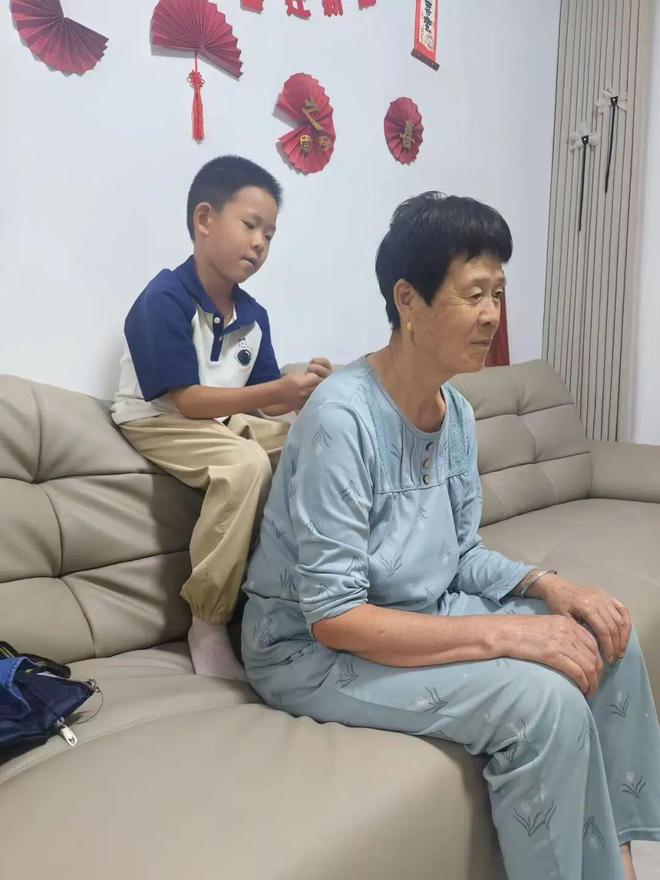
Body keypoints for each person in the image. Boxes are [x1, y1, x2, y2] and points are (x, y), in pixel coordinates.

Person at [241, 192, 660, 880]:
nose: (492, 314)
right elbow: (335, 617)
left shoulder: (456, 413)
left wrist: (549, 587)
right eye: (474, 294)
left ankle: (617, 863)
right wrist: (509, 635)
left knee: (607, 633)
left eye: (498, 293)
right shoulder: (341, 419)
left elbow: (461, 554)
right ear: (408, 300)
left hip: (421, 610)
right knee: (545, 703)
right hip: (309, 652)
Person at [112, 155, 331, 679]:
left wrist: (304, 392)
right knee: (245, 466)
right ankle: (207, 623)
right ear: (204, 219)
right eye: (250, 225)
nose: (260, 244)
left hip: (216, 421)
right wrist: (277, 390)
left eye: (269, 234)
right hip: (158, 416)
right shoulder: (163, 298)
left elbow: (268, 401)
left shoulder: (253, 316)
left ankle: (311, 590)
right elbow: (186, 401)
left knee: (316, 444)